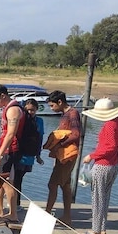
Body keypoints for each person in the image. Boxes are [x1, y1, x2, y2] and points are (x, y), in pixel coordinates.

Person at [82, 98, 118, 234]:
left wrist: (91, 155)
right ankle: (102, 229)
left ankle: (95, 230)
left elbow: (109, 147)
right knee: (104, 198)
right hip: (114, 165)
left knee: (97, 198)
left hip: (103, 165)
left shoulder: (110, 125)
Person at [45, 90, 82, 226]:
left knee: (52, 184)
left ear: (60, 102)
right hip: (63, 156)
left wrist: (60, 144)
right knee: (66, 185)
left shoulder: (72, 113)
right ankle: (67, 217)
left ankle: (47, 213)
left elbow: (76, 134)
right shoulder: (65, 114)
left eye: (52, 106)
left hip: (68, 154)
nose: (51, 108)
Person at [0, 84, 23, 222]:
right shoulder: (7, 109)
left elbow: (11, 134)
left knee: (7, 181)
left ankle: (13, 214)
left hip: (10, 150)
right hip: (3, 148)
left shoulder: (13, 109)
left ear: (3, 96)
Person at [13, 98, 45, 209]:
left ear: (36, 109)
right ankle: (16, 203)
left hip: (30, 154)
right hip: (20, 153)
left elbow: (40, 138)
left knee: (19, 178)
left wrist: (38, 155)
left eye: (33, 110)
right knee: (17, 178)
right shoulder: (22, 119)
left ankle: (16, 203)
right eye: (28, 110)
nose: (30, 112)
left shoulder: (39, 121)